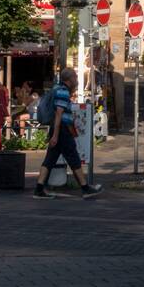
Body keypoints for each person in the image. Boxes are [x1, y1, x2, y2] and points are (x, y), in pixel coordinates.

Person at [33, 67, 102, 199]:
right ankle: (85, 188)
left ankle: (39, 189)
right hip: (62, 130)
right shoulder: (63, 92)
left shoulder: (56, 89)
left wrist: (54, 134)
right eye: (75, 77)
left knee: (50, 160)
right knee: (73, 158)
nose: (76, 79)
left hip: (58, 129)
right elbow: (59, 114)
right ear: (69, 79)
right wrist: (55, 135)